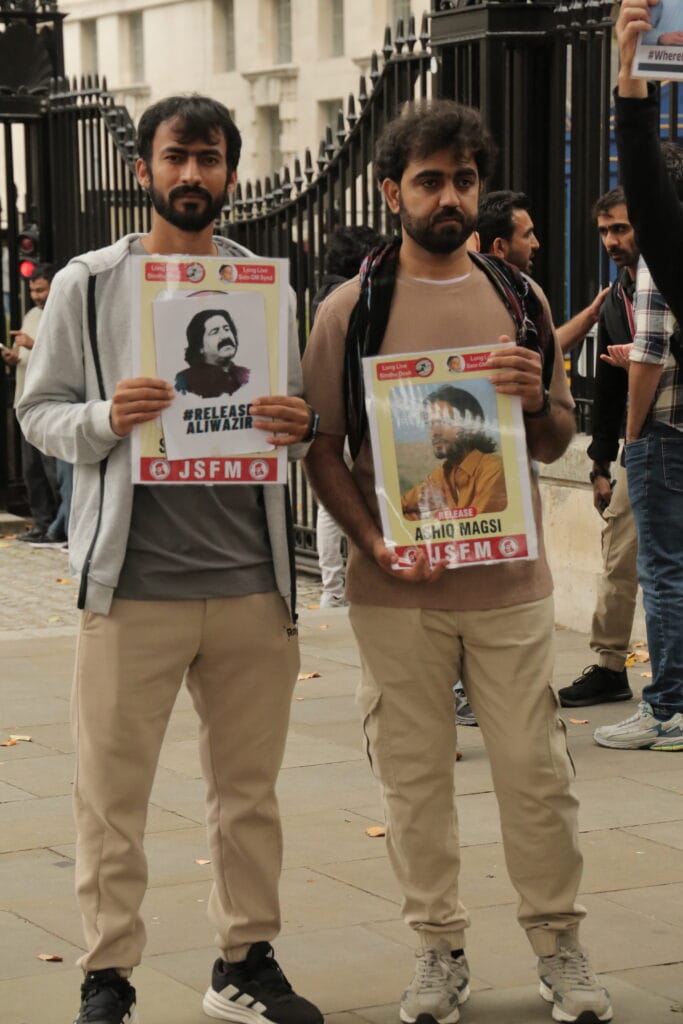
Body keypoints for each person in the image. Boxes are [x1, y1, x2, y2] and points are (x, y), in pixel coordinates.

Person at [303, 99, 611, 1024]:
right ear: (391, 191)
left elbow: (553, 439)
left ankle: (558, 945)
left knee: (536, 774)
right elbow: (321, 449)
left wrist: (536, 401)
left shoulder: (521, 299)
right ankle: (436, 950)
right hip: (395, 594)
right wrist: (373, 542)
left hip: (509, 586)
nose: (449, 197)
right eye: (430, 180)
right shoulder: (350, 311)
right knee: (413, 781)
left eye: (464, 181)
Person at [18, 94, 323, 1024]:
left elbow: (292, 419)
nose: (192, 174)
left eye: (209, 157)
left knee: (248, 796)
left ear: (230, 170)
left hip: (251, 586)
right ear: (143, 169)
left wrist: (301, 424)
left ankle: (244, 962)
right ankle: (107, 973)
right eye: (176, 156)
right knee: (111, 797)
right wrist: (108, 418)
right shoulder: (90, 283)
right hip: (133, 588)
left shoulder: (263, 288)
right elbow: (39, 412)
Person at [592, 0, 683, 752]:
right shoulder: (665, 252)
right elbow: (645, 175)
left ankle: (670, 705)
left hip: (664, 433)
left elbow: (650, 351)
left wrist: (631, 437)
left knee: (664, 570)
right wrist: (631, 69)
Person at [559, 188, 640, 708]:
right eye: (605, 231)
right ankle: (610, 667)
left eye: (621, 229)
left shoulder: (668, 281)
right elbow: (608, 392)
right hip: (641, 444)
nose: (611, 240)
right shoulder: (615, 298)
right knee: (618, 556)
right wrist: (600, 465)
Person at [311, 225, 389, 609]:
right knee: (334, 505)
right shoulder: (344, 299)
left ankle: (332, 587)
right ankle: (334, 588)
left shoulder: (325, 294)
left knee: (331, 508)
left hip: (345, 409)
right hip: (349, 412)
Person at [478, 190, 609, 355]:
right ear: (500, 247)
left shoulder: (524, 292)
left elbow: (547, 353)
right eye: (527, 235)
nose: (536, 244)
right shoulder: (487, 299)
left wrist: (592, 315)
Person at [1, 263, 63, 545]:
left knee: (54, 471)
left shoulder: (61, 314)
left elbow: (62, 356)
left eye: (41, 289)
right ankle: (42, 524)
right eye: (33, 290)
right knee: (32, 471)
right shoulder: (30, 315)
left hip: (50, 404)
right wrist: (13, 357)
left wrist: (32, 345)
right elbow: (24, 356)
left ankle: (62, 527)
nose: (36, 296)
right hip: (24, 403)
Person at [400, 386, 507, 519]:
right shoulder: (440, 476)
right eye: (430, 424)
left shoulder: (493, 470)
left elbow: (475, 527)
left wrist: (433, 516)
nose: (434, 433)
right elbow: (397, 510)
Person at [174, 307, 250, 398]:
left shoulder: (245, 375)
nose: (225, 336)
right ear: (200, 347)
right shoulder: (184, 381)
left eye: (227, 329)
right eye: (215, 332)